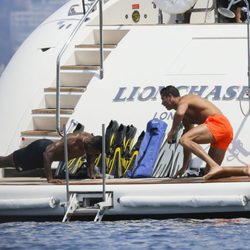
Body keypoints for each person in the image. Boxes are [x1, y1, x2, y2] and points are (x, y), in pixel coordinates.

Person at [160, 85, 250, 180]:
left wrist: (172, 132)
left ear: (170, 97)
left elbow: (179, 113)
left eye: (163, 99)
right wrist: (184, 167)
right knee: (210, 173)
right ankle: (244, 170)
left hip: (219, 123)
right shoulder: (186, 119)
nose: (162, 103)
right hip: (224, 131)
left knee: (184, 139)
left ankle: (214, 166)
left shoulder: (186, 99)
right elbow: (187, 145)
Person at [0, 132, 102, 183]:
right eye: (96, 153)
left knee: (5, 162)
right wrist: (50, 179)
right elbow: (47, 153)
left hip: (44, 156)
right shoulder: (73, 140)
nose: (95, 155)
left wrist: (92, 175)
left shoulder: (90, 145)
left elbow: (90, 158)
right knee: (5, 162)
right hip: (38, 151)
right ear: (91, 144)